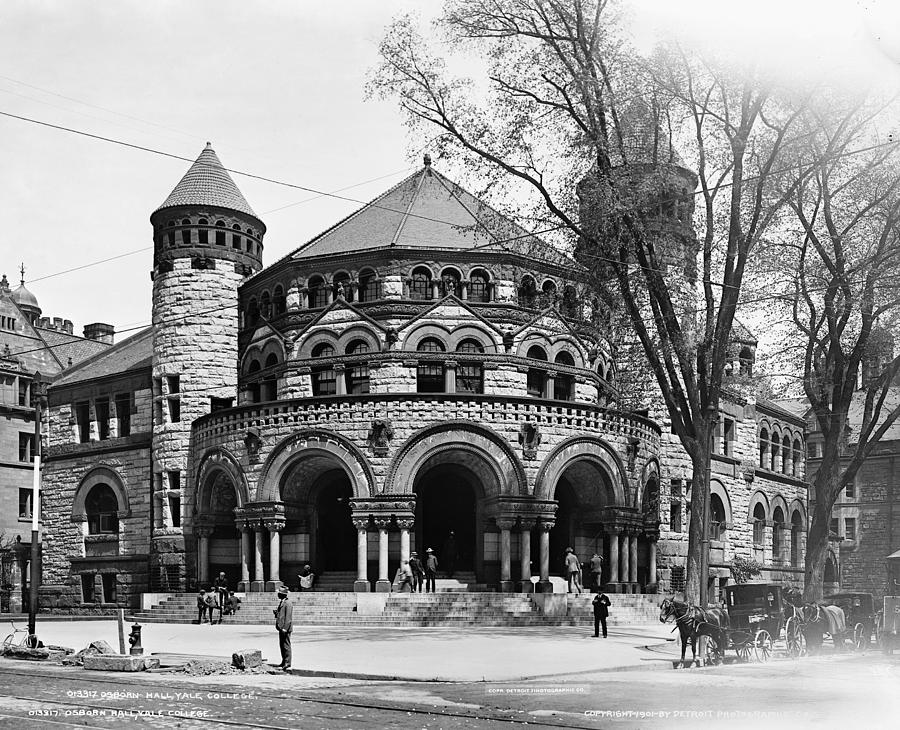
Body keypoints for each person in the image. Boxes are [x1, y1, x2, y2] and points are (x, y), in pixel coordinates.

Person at [273, 585, 293, 671]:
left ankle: (287, 663)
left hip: (285, 628)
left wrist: (285, 628)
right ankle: (284, 661)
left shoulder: (288, 603)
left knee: (286, 645)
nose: (278, 595)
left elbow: (288, 617)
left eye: (279, 593)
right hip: (281, 628)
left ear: (282, 594)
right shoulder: (282, 602)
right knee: (282, 645)